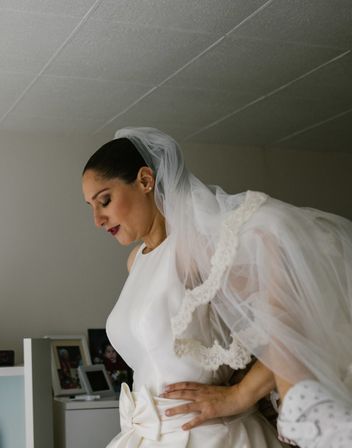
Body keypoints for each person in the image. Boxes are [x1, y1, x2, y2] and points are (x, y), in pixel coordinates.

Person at [81, 127, 352, 448]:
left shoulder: (196, 248)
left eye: (105, 201)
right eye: (91, 207)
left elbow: (294, 313)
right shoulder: (135, 261)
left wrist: (241, 394)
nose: (97, 219)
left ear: (144, 180)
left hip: (209, 435)